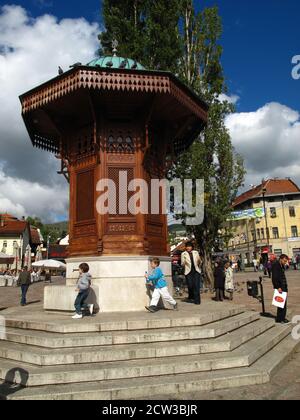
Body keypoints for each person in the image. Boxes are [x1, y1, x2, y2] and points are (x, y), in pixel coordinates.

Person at [271, 254, 289, 324]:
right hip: (280, 287)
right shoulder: (276, 265)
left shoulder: (281, 265)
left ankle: (282, 318)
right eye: (284, 261)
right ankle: (280, 318)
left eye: (286, 261)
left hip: (283, 286)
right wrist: (277, 287)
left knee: (283, 303)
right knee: (281, 303)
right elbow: (274, 277)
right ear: (281, 259)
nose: (285, 262)